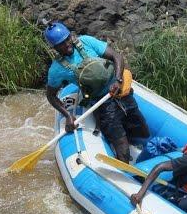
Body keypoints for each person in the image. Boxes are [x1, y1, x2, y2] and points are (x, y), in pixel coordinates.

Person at [43, 21, 149, 163]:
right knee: (122, 150)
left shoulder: (86, 42)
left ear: (70, 36)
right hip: (103, 105)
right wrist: (68, 115)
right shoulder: (57, 69)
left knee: (143, 132)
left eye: (67, 39)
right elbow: (51, 95)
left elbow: (117, 57)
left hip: (121, 93)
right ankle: (122, 166)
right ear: (55, 47)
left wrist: (118, 80)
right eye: (61, 44)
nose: (67, 44)